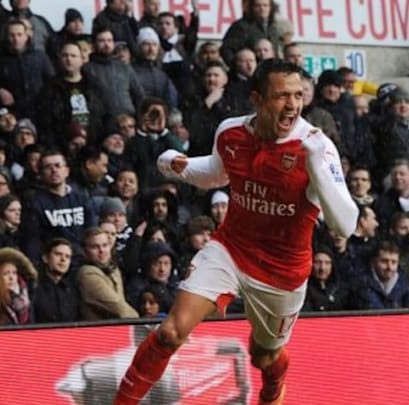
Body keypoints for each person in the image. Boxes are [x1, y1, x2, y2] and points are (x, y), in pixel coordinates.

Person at [114, 60, 358, 405]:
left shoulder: (317, 148)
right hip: (231, 249)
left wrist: (318, 169)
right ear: (257, 99)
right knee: (170, 333)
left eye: (298, 95)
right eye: (281, 96)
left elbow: (345, 225)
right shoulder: (231, 132)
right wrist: (179, 165)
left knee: (263, 356)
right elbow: (216, 174)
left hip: (282, 270)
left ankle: (273, 386)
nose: (292, 105)